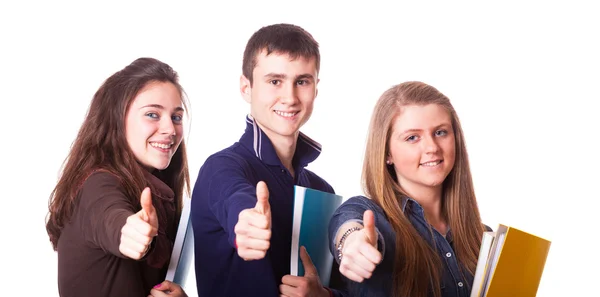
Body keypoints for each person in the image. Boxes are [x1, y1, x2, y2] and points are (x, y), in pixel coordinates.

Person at [190, 23, 346, 297]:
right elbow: (235, 197)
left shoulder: (322, 191)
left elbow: (337, 286)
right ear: (246, 87)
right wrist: (246, 222)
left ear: (316, 88)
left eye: (302, 81)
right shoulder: (221, 167)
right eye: (275, 81)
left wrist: (326, 295)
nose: (290, 97)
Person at [329, 81, 491, 297]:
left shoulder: (484, 238)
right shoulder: (370, 215)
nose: (432, 147)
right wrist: (352, 244)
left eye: (441, 132)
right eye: (412, 137)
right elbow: (348, 226)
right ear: (387, 153)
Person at [45, 57, 190, 297]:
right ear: (117, 120)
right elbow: (110, 217)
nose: (170, 129)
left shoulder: (157, 188)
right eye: (153, 114)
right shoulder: (99, 182)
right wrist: (130, 231)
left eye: (176, 117)